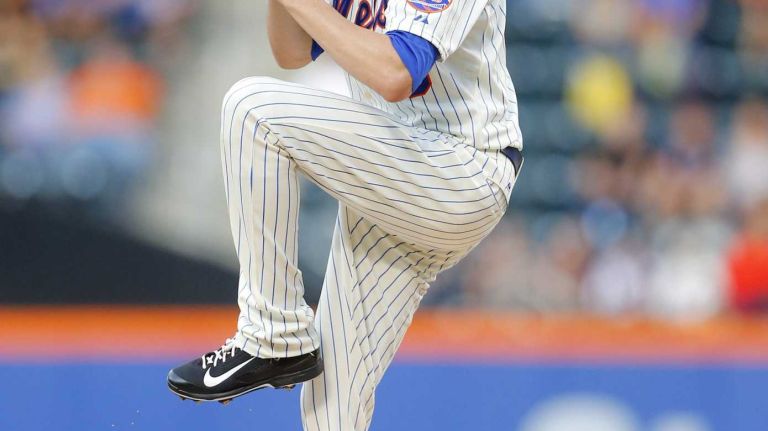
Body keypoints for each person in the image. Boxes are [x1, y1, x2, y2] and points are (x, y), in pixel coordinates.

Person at [167, 0, 523, 429]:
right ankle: (277, 339)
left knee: (252, 109)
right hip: (393, 171)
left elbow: (396, 74)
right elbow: (292, 53)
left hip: (459, 168)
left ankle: (272, 333)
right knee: (331, 408)